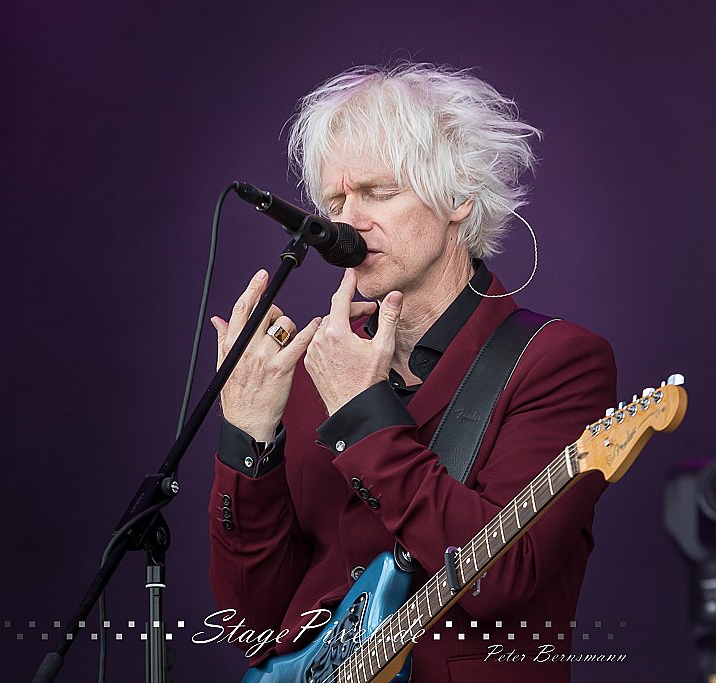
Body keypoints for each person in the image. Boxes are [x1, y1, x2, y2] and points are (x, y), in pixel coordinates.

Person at [206, 63, 616, 682]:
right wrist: (247, 436)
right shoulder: (315, 370)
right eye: (336, 202)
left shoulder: (556, 362)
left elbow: (501, 577)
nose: (347, 222)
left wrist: (361, 415)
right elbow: (254, 623)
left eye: (378, 192)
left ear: (458, 199)